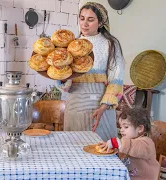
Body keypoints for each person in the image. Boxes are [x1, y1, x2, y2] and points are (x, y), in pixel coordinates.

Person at [63, 2, 124, 141]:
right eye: (82, 18)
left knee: (100, 148)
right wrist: (62, 78)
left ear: (101, 22)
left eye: (90, 19)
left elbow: (116, 78)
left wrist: (104, 106)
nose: (84, 23)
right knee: (74, 147)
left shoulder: (110, 44)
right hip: (75, 103)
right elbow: (66, 83)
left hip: (100, 104)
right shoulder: (72, 45)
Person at [99, 107, 159, 179]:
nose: (121, 130)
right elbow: (124, 149)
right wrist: (112, 147)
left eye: (126, 127)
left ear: (140, 129)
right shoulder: (129, 140)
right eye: (121, 127)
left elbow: (134, 147)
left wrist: (117, 143)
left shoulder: (147, 143)